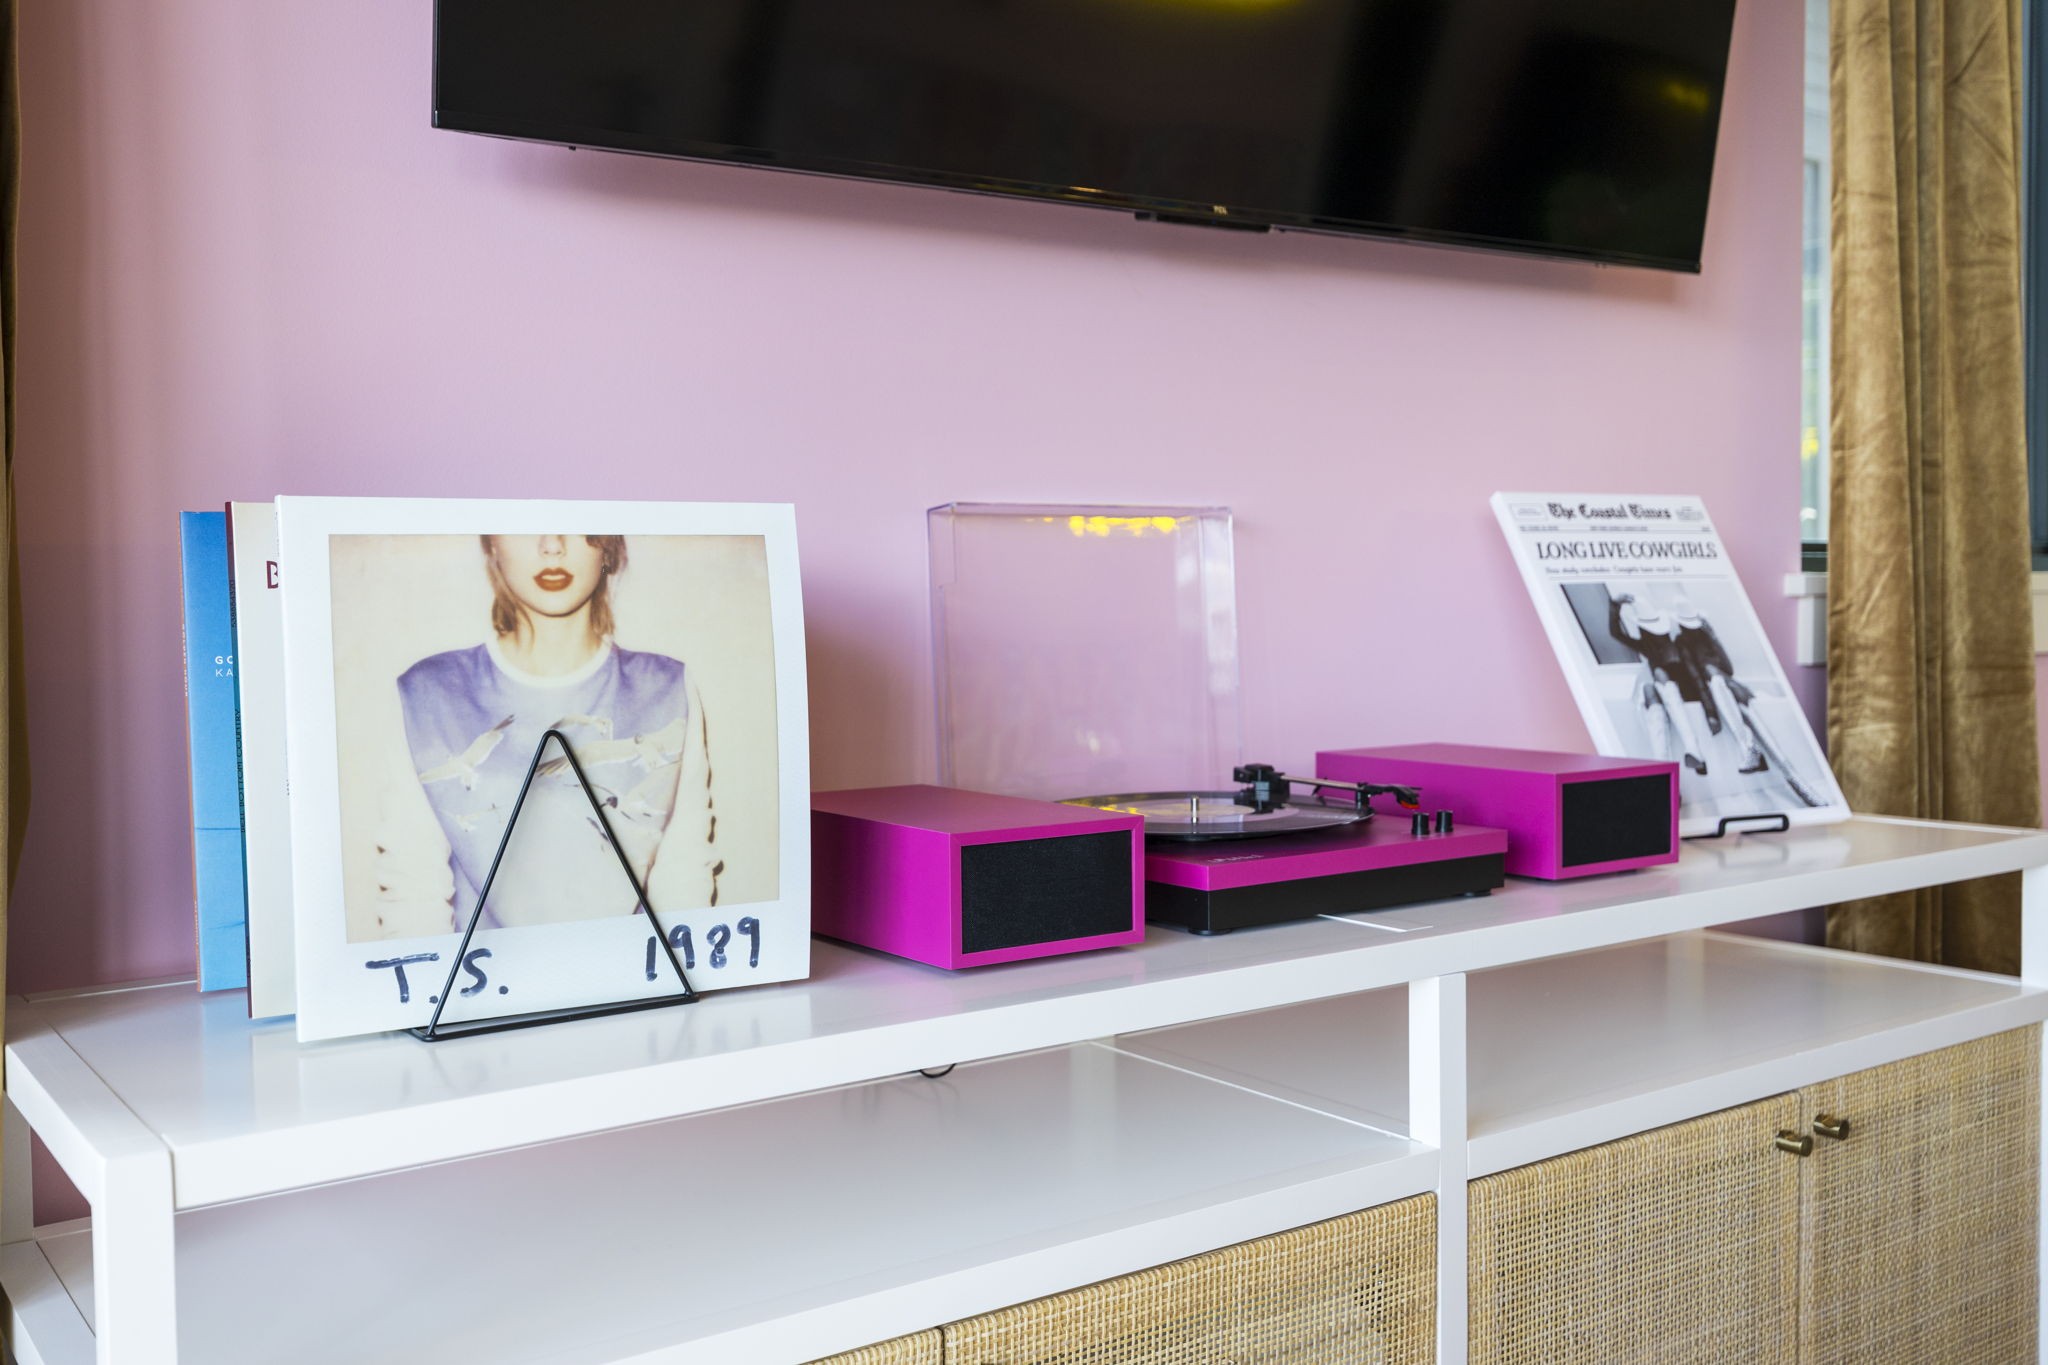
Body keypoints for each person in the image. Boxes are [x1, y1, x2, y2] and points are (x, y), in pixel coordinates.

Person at [370, 534, 718, 937]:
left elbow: (683, 887)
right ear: (491, 544)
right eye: (525, 523)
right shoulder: (427, 696)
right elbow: (413, 898)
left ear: (607, 545)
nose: (552, 545)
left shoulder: (666, 691)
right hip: (480, 976)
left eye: (575, 520)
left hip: (630, 973)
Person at [1608, 590, 1709, 776]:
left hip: (1684, 691)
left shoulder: (1675, 647)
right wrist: (1615, 606)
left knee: (1657, 680)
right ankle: (1671, 762)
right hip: (1667, 692)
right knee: (1648, 691)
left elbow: (1692, 676)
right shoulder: (1652, 646)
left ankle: (1686, 753)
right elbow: (1616, 633)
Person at [1670, 595, 1768, 775]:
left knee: (1716, 683)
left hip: (1720, 686)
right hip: (1730, 686)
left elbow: (1698, 678)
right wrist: (1713, 638)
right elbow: (1728, 669)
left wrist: (1711, 713)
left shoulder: (1685, 641)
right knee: (1719, 685)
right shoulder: (1702, 637)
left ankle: (1749, 749)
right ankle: (1751, 751)